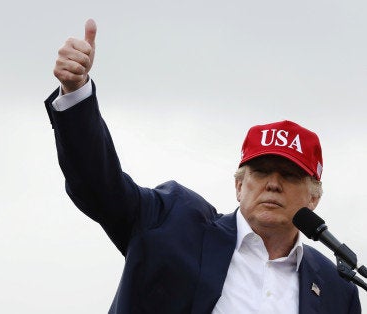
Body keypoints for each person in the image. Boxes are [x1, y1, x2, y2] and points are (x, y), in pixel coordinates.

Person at [44, 19, 361, 313]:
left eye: (290, 175)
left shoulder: (337, 288)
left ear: (314, 198)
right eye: (261, 171)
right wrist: (76, 94)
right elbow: (100, 187)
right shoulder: (174, 223)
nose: (273, 183)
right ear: (239, 185)